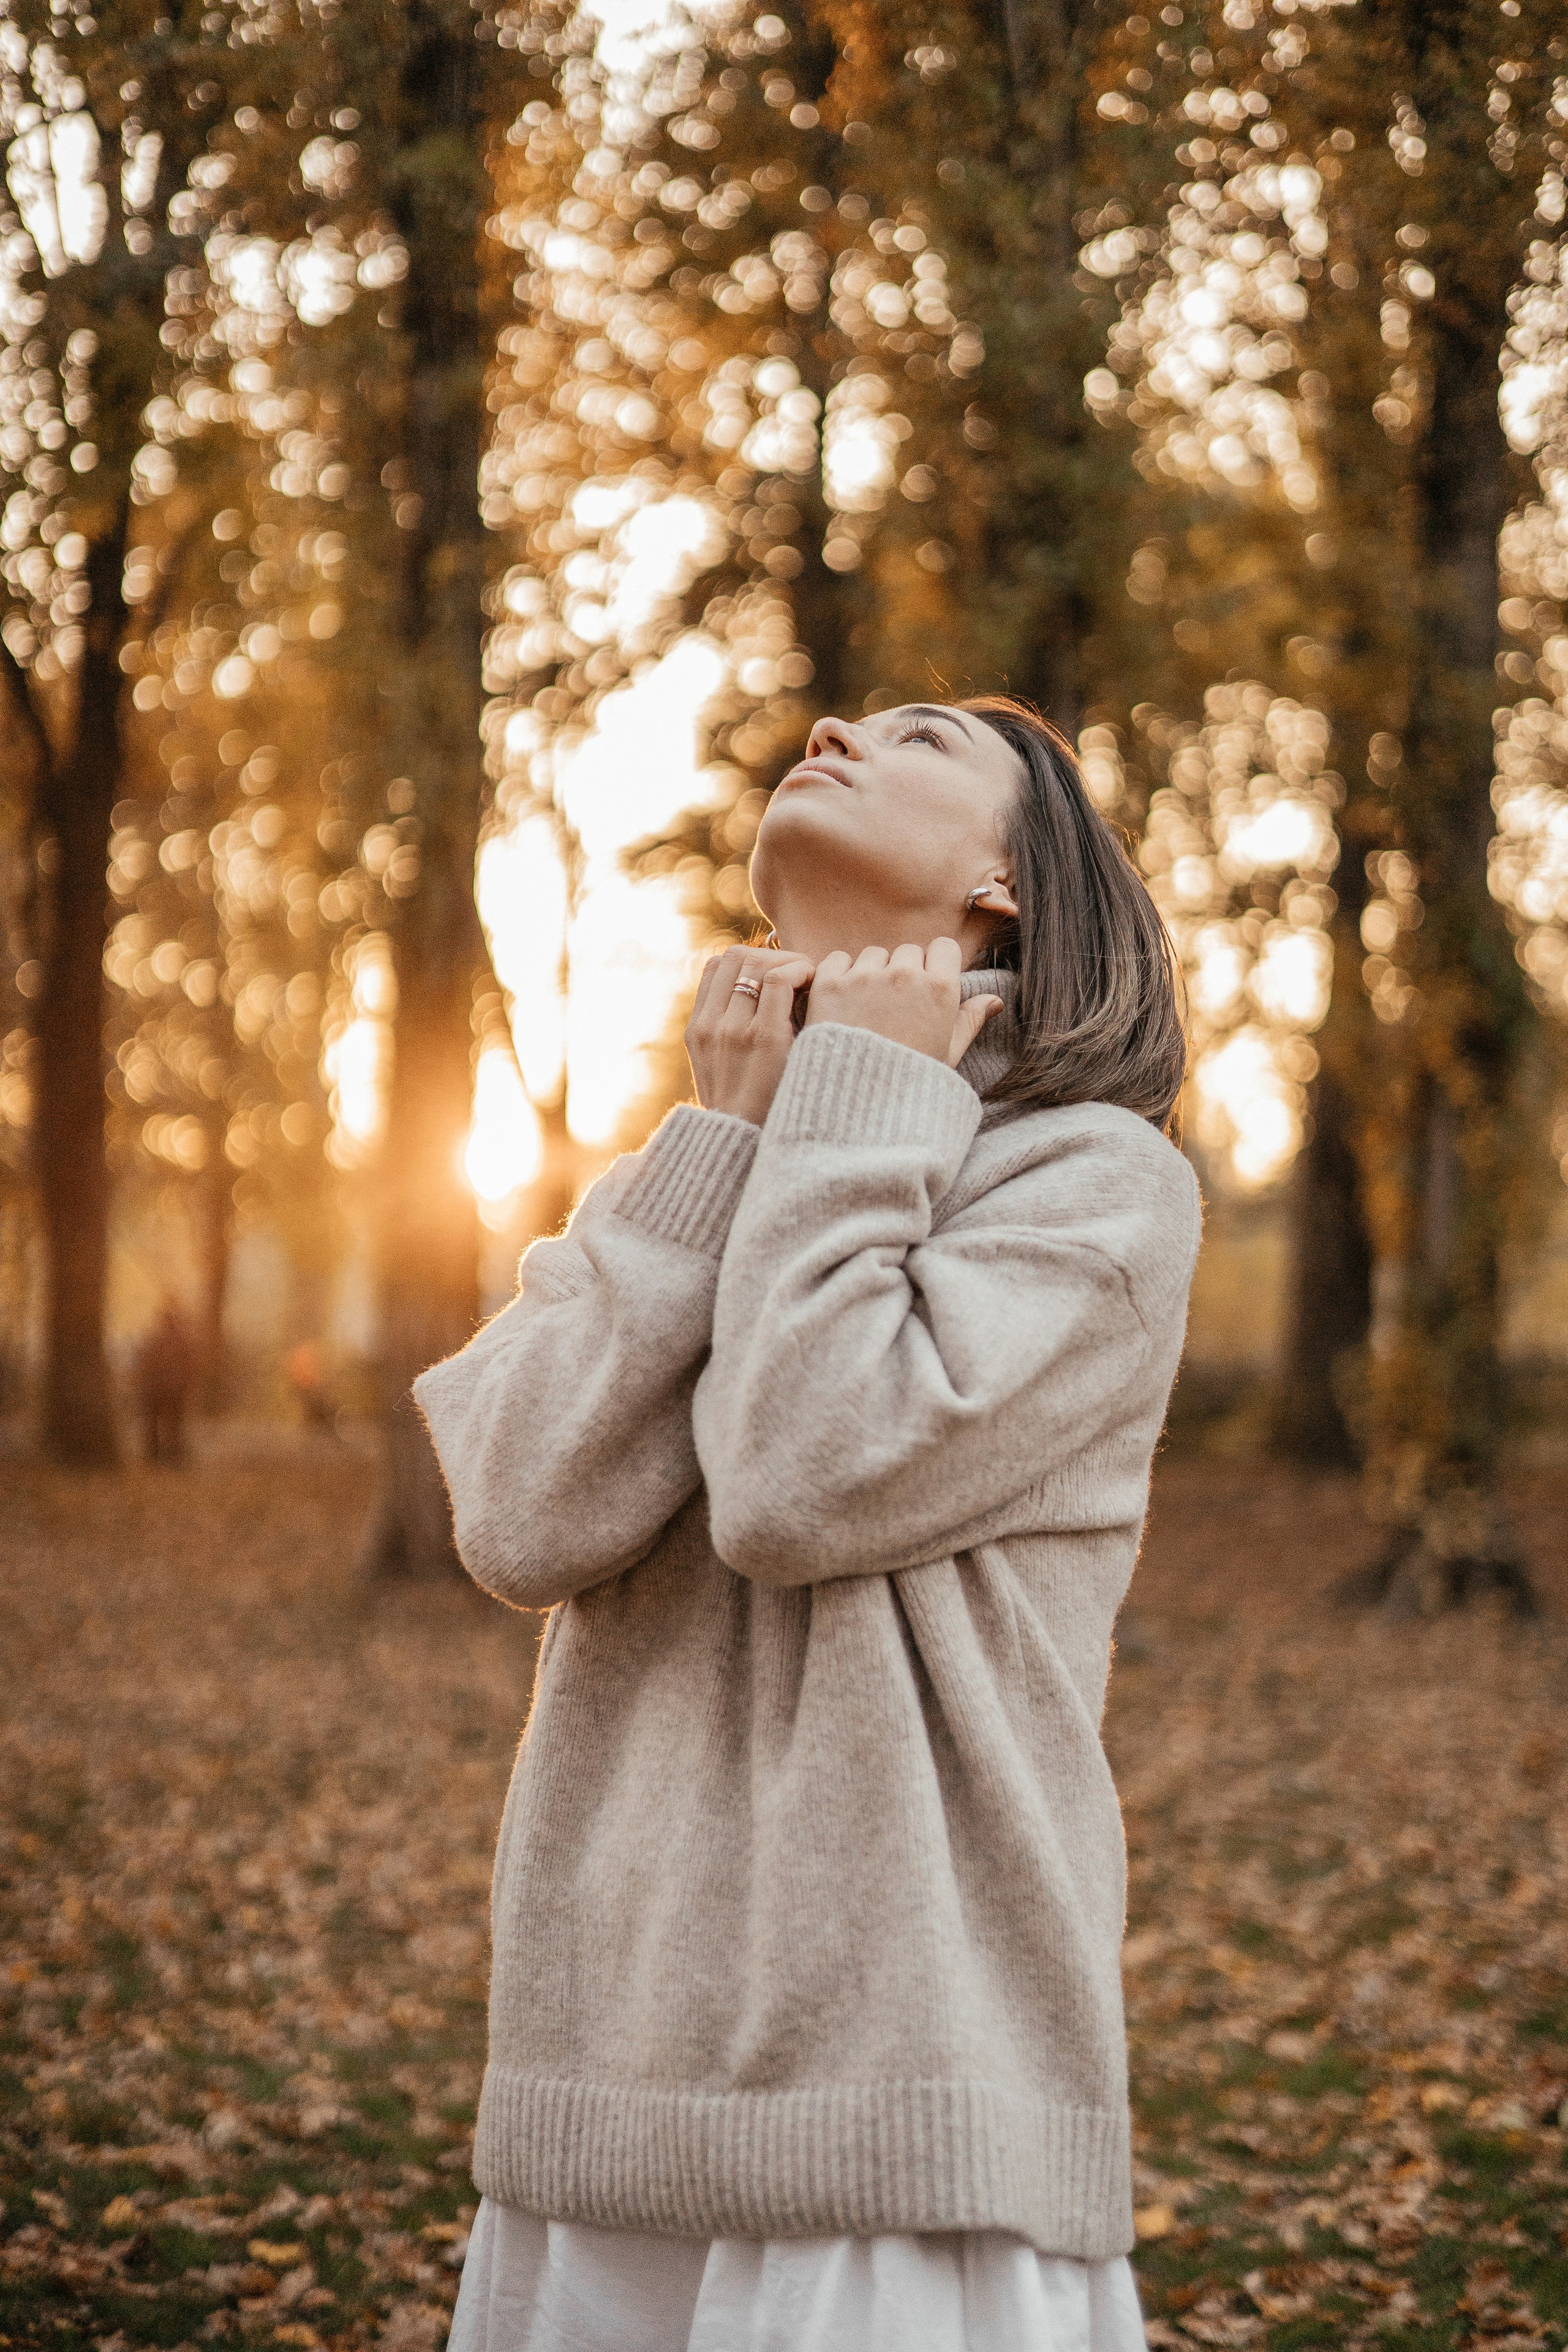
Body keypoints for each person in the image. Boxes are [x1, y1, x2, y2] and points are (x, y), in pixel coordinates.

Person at [417, 697, 1199, 2351]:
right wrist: (719, 1142)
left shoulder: (1100, 1188)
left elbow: (800, 1472)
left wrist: (842, 1100)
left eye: (920, 741)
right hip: (598, 2094)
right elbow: (517, 1515)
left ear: (1006, 882)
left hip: (904, 2114)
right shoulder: (697, 1166)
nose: (837, 723)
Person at [134, 1297, 195, 1464]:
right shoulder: (179, 1342)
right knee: (169, 1424)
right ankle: (168, 1455)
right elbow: (190, 1366)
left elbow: (145, 1365)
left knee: (162, 1424)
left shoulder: (158, 1341)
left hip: (162, 1389)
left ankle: (161, 1455)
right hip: (168, 1389)